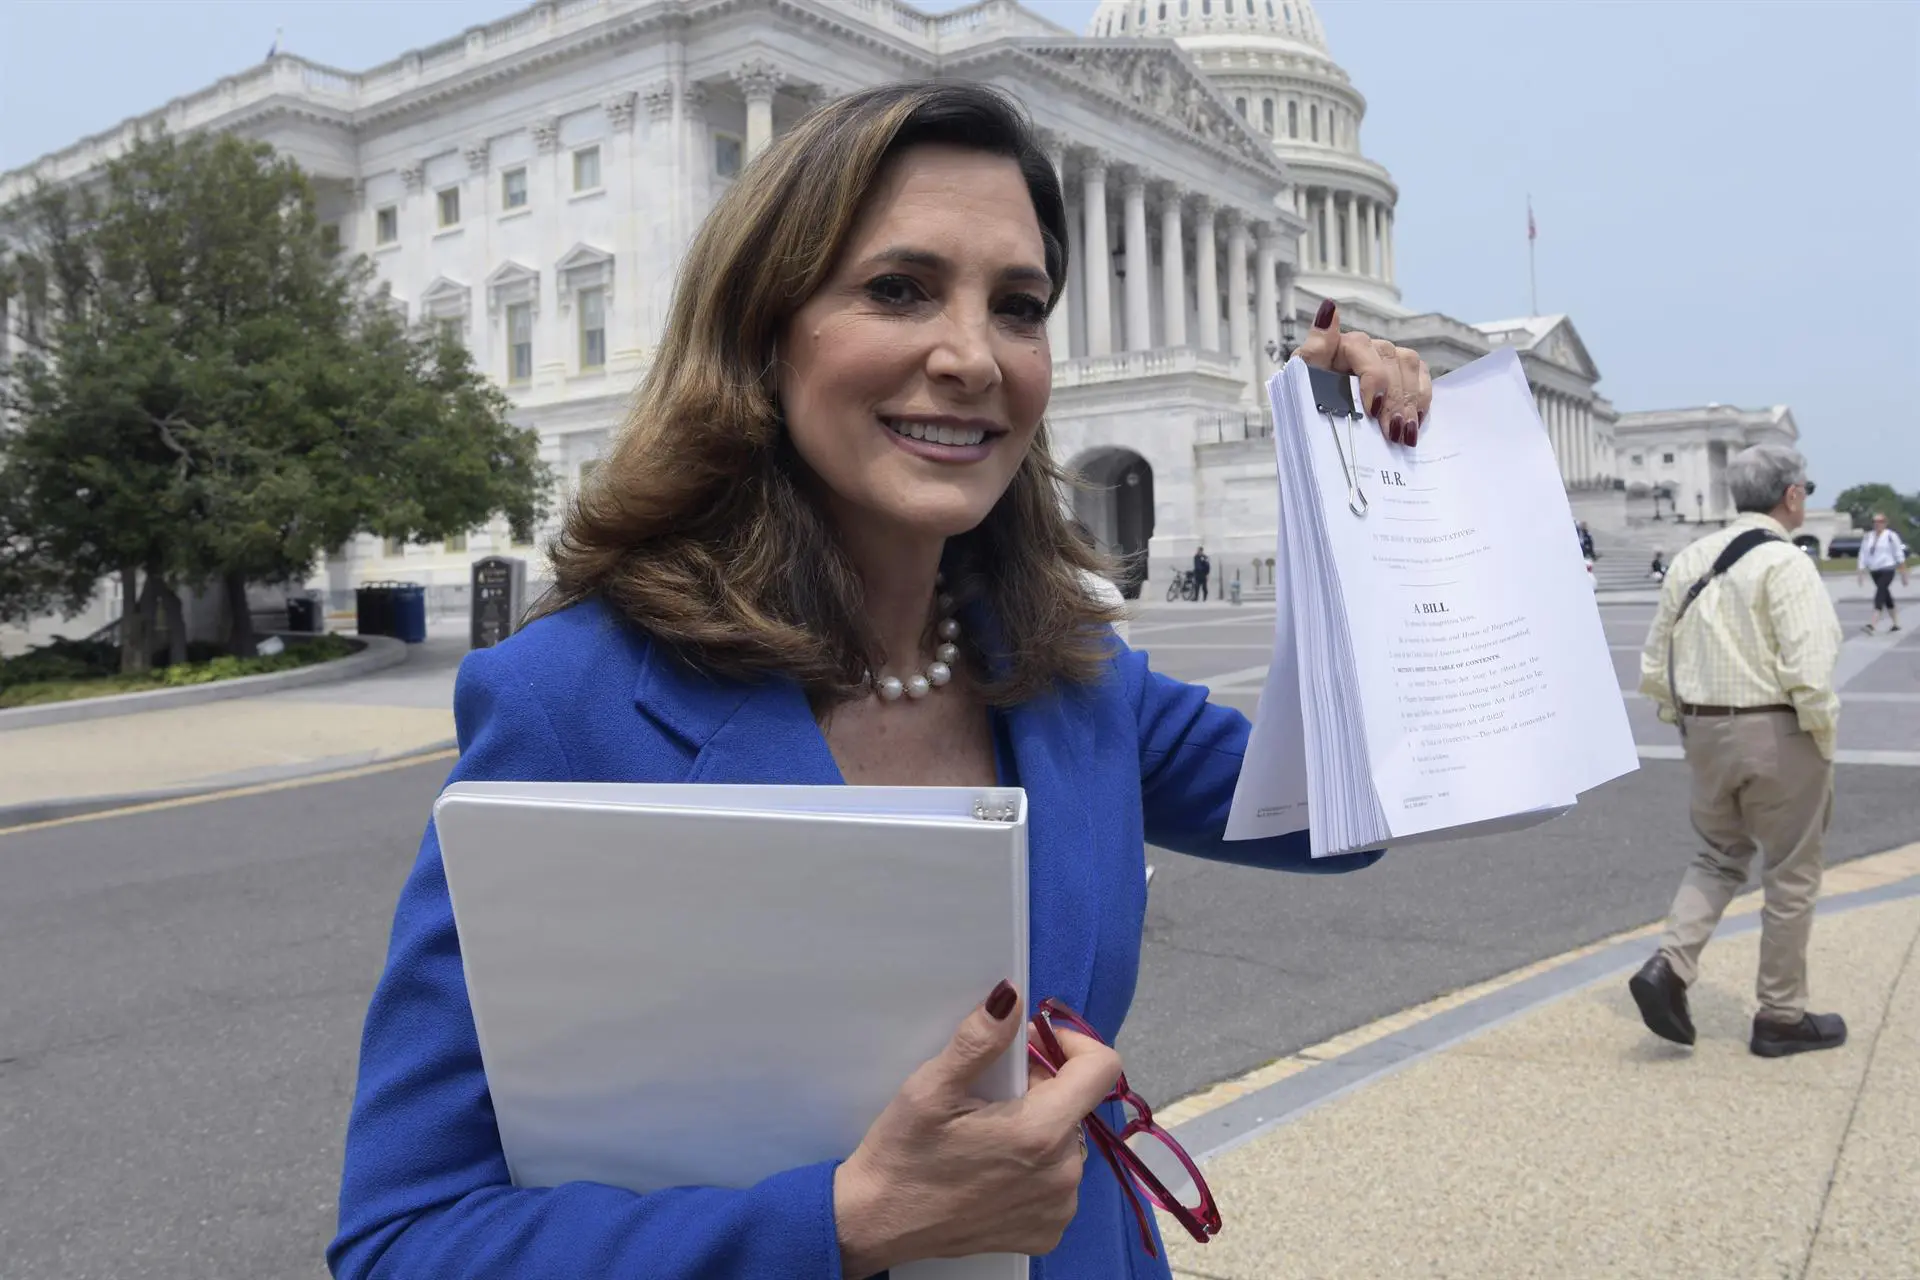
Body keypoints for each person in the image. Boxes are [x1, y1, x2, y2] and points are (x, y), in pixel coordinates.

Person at [328, 83, 1433, 1280]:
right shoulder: (571, 700)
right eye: (899, 288)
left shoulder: (1071, 672)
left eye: (1018, 306)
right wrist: (842, 1222)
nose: (971, 357)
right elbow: (404, 1239)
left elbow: (1353, 804)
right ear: (763, 332)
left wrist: (1357, 483)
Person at [1631, 445, 1846, 1059]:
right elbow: (1809, 668)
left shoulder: (1690, 559)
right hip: (1775, 730)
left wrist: (1683, 722)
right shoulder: (1786, 562)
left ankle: (1670, 966)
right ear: (1792, 495)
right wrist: (1821, 737)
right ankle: (1780, 1014)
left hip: (1704, 729)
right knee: (1791, 872)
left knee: (1718, 854)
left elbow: (1655, 662)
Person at [1856, 511, 1909, 633]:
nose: (1877, 524)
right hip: (1874, 570)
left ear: (1885, 523)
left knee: (1880, 593)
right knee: (1886, 595)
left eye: (1880, 521)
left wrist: (1904, 574)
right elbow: (1863, 554)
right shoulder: (1868, 537)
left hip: (1887, 569)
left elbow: (1899, 554)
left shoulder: (1891, 536)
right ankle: (1896, 623)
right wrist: (1860, 571)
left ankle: (1872, 624)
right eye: (1875, 521)